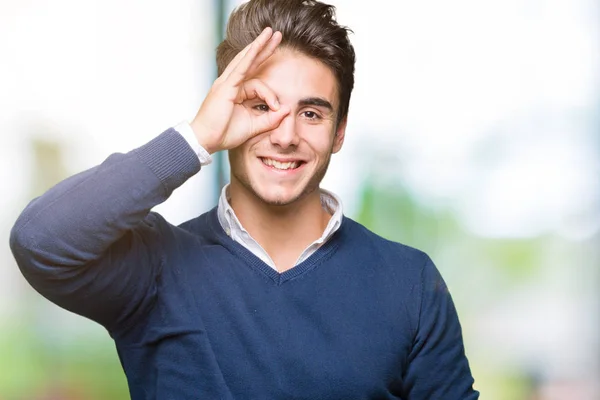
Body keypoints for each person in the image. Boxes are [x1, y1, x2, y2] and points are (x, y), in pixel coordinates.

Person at [9, 0, 479, 398]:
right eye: (261, 108)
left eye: (311, 113)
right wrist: (196, 138)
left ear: (338, 133)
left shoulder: (409, 283)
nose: (286, 135)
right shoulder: (155, 268)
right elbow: (40, 239)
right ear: (227, 111)